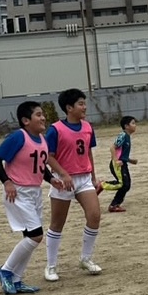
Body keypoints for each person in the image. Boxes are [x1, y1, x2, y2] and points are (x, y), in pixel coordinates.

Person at [0, 101, 72, 295]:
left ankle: (16, 280)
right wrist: (7, 182)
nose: (43, 118)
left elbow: (40, 166)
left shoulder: (42, 139)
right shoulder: (19, 137)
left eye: (42, 114)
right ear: (26, 120)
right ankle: (5, 270)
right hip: (18, 192)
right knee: (36, 236)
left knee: (30, 237)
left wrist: (51, 179)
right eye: (38, 115)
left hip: (34, 192)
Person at [44, 88, 101, 282]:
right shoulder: (55, 129)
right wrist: (63, 174)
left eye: (84, 103)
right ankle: (51, 266)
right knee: (57, 223)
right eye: (80, 104)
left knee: (94, 216)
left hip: (84, 178)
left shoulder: (87, 127)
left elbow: (88, 152)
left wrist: (93, 176)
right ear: (69, 108)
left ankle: (86, 258)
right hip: (63, 181)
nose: (85, 107)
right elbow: (48, 157)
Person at [96, 116, 138, 212]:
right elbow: (112, 147)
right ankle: (102, 185)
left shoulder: (127, 137)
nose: (135, 125)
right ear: (126, 126)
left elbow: (122, 154)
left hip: (123, 164)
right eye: (133, 123)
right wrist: (116, 161)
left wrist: (131, 160)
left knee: (126, 185)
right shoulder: (123, 135)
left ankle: (115, 205)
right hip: (117, 165)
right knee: (122, 184)